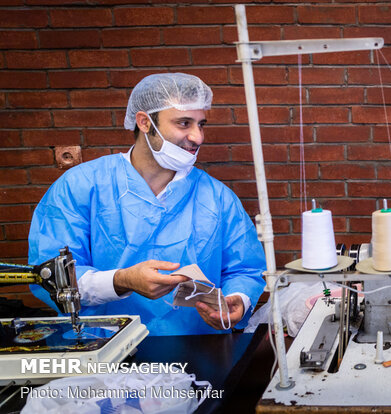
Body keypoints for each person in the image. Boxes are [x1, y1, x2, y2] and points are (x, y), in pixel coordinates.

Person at [28, 73, 266, 335]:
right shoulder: (80, 186)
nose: (198, 137)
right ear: (144, 122)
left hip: (198, 349)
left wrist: (239, 301)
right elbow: (52, 276)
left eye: (201, 124)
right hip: (104, 351)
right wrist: (122, 281)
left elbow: (245, 269)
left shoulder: (217, 197)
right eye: (184, 123)